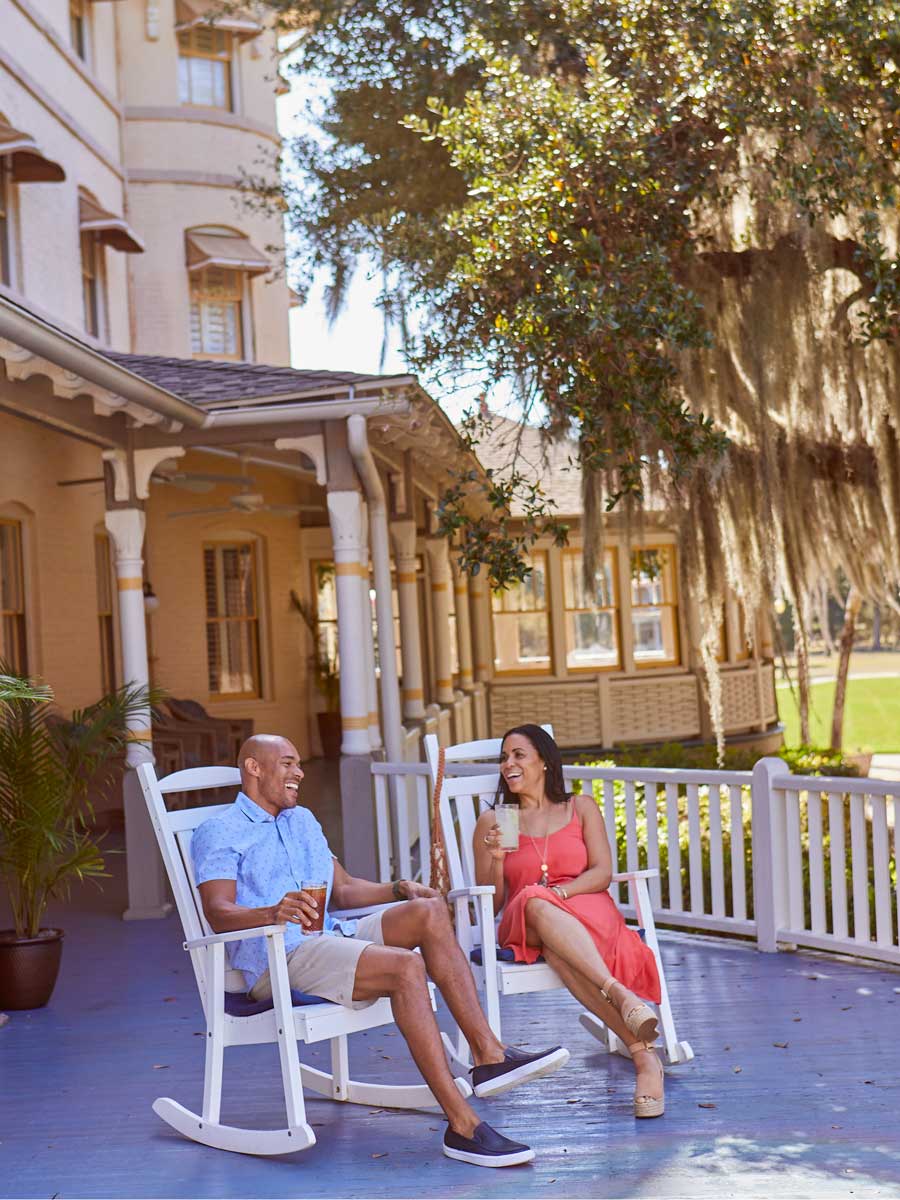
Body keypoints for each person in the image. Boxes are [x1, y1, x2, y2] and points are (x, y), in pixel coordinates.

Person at [191, 733, 569, 1168]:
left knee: (427, 911)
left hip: (330, 935)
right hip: (279, 957)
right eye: (288, 764)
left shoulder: (302, 821)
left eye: (299, 765)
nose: (299, 773)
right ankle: (462, 1126)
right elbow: (219, 912)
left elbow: (346, 890)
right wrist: (272, 912)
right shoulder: (218, 831)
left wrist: (397, 888)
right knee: (406, 968)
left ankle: (488, 1054)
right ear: (253, 768)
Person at [473, 724, 665, 1119]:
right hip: (524, 919)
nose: (508, 763)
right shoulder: (500, 819)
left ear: (544, 761)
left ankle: (645, 1059)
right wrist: (495, 858)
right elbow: (492, 902)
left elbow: (601, 873)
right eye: (504, 757)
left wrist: (559, 894)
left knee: (560, 952)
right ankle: (622, 995)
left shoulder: (580, 807)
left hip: (584, 911)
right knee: (533, 901)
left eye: (518, 755)